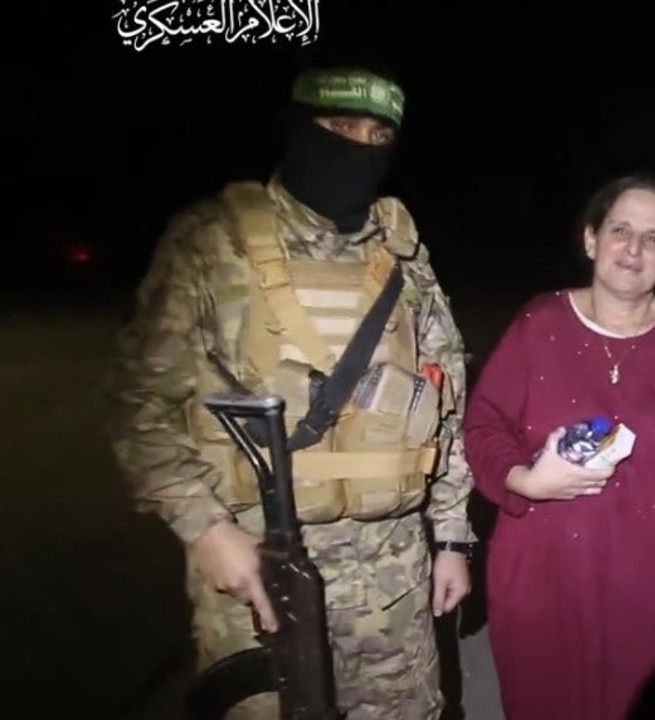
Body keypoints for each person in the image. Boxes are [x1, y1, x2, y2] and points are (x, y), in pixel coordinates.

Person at [105, 65, 475, 720]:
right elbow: (138, 407)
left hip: (390, 581)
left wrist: (450, 538)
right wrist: (205, 527)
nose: (357, 146)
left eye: (376, 134)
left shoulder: (404, 257)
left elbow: (444, 404)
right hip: (259, 570)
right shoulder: (210, 244)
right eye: (338, 128)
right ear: (298, 129)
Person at [462, 173, 655, 720]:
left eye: (653, 238)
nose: (634, 248)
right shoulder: (539, 323)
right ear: (591, 239)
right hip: (542, 589)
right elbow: (482, 429)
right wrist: (524, 480)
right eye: (620, 229)